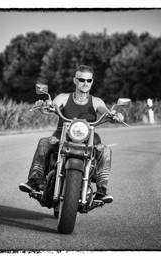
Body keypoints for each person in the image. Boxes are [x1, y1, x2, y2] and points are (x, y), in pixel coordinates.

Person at [19, 65, 124, 203]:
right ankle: (34, 181)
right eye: (81, 80)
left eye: (88, 80)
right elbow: (52, 105)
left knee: (105, 150)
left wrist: (115, 115)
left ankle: (101, 191)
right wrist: (45, 105)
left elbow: (105, 111)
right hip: (61, 135)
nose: (85, 83)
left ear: (92, 82)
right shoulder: (63, 97)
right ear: (75, 80)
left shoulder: (96, 101)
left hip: (88, 139)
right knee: (44, 142)